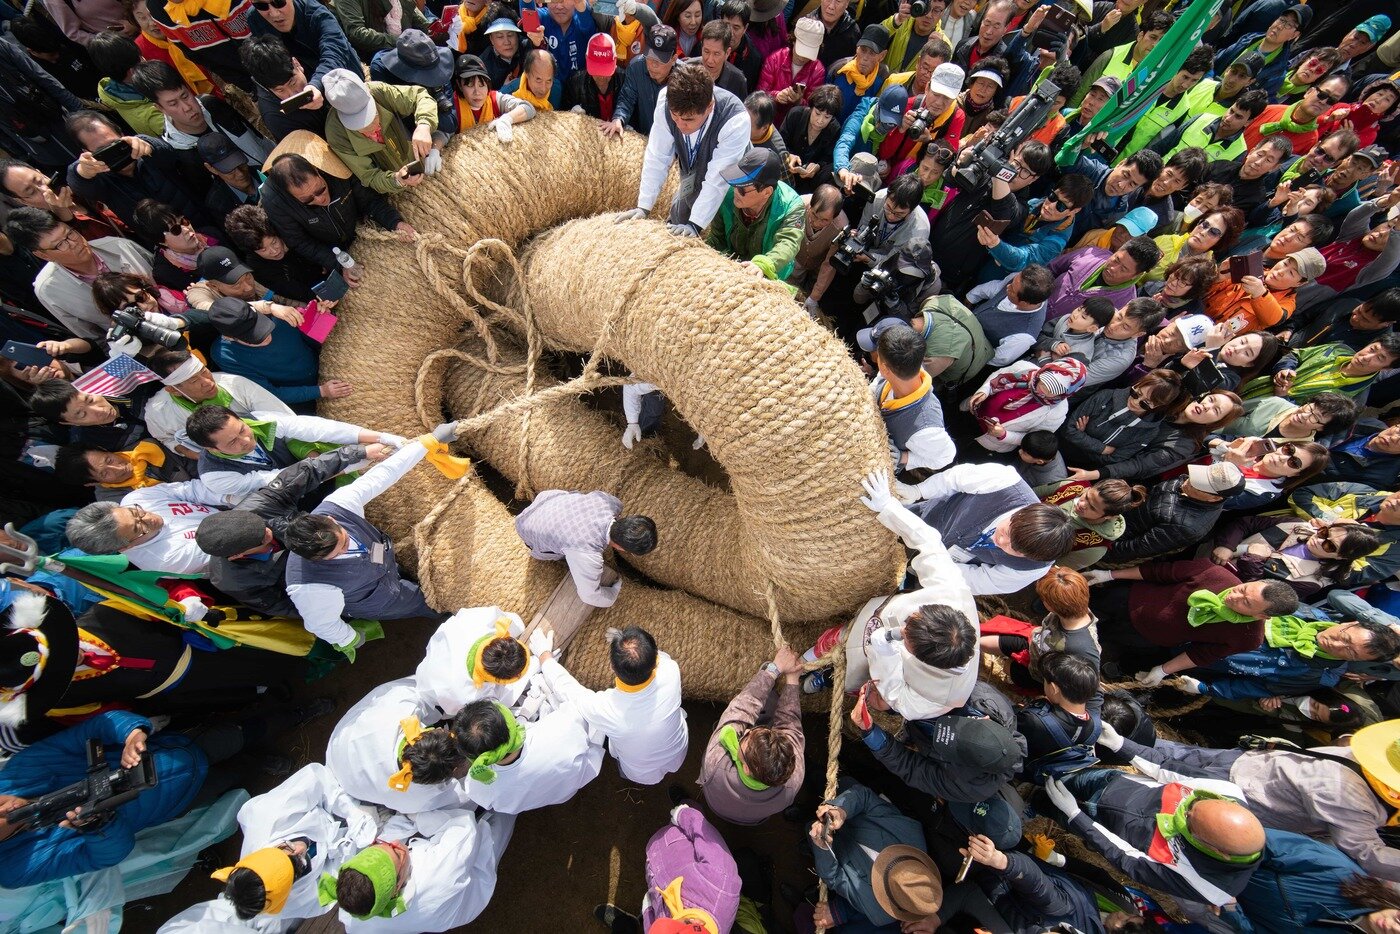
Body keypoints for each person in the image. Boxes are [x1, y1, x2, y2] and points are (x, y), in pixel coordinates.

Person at [1098, 718, 1400, 885]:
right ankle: (1108, 753)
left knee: (1173, 757)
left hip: (1248, 764)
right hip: (1241, 790)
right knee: (1163, 781)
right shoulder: (1352, 798)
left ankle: (1111, 742)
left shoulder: (1364, 757)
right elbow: (1365, 853)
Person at [799, 471, 979, 721]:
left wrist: (885, 653)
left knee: (851, 675)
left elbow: (895, 697)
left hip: (875, 671)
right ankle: (807, 659)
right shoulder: (951, 593)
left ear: (918, 657)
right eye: (912, 619)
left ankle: (828, 677)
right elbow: (930, 544)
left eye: (907, 637)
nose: (903, 628)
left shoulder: (939, 698)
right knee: (843, 635)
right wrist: (888, 507)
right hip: (875, 620)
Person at [283, 427, 458, 656]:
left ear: (330, 520)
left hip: (384, 561)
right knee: (425, 602)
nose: (346, 548)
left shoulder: (340, 504)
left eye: (343, 540)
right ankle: (444, 613)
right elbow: (321, 624)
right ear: (313, 558)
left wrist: (427, 442)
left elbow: (383, 474)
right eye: (336, 554)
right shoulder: (309, 588)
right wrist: (349, 638)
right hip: (378, 597)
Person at [179, 763, 378, 927]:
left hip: (335, 804)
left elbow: (318, 780)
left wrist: (352, 812)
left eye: (287, 848)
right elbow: (332, 883)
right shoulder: (290, 904)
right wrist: (350, 850)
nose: (300, 850)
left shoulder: (268, 813)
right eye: (299, 868)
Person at [1042, 768, 1265, 908]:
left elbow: (1130, 861)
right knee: (1059, 778)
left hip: (1102, 823)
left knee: (1046, 804)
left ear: (1215, 850)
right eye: (1193, 804)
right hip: (1116, 784)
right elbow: (1170, 768)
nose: (1183, 811)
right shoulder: (1230, 793)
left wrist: (1077, 818)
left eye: (1190, 823)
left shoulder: (1210, 887)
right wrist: (1121, 745)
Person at [195, 444, 368, 618]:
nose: (268, 533)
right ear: (236, 556)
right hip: (332, 582)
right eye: (261, 539)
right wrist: (343, 608)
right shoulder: (234, 581)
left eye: (262, 526)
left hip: (338, 537)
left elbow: (304, 472)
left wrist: (355, 453)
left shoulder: (258, 506)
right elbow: (286, 606)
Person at [1086, 556, 1299, 684]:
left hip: (1141, 636)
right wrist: (1110, 575)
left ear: (1262, 616)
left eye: (1246, 603)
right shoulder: (1215, 574)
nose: (1235, 596)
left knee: (1091, 640)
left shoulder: (1249, 637)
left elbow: (1202, 654)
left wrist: (1163, 670)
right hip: (1126, 599)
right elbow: (1160, 572)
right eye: (1243, 589)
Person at [538, 626, 688, 785]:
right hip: (678, 752)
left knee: (626, 765)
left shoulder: (607, 709)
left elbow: (568, 690)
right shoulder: (671, 669)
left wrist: (544, 656)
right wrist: (625, 643)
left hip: (643, 773)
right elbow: (658, 657)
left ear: (611, 667)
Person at [317, 810, 513, 932]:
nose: (395, 843)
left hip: (427, 916)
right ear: (397, 888)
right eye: (398, 853)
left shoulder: (353, 909)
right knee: (495, 824)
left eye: (383, 846)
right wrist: (416, 815)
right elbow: (463, 825)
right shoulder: (437, 870)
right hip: (469, 890)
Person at [899, 463, 1076, 595]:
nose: (1001, 541)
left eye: (1014, 549)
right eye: (1008, 532)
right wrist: (918, 491)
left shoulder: (1034, 567)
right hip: (927, 516)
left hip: (943, 566)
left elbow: (979, 581)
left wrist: (933, 565)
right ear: (1020, 513)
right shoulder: (1006, 481)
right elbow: (954, 479)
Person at [617, 62, 750, 237]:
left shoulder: (735, 120)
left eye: (688, 119)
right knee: (676, 222)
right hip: (691, 177)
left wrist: (695, 225)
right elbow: (657, 155)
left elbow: (717, 179)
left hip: (734, 187)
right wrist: (643, 206)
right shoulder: (666, 100)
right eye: (675, 116)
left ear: (709, 106)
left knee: (723, 235)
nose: (680, 125)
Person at [806, 780, 939, 931]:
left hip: (824, 841)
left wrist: (823, 848)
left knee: (806, 824)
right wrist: (841, 810)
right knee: (815, 779)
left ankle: (802, 815)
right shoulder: (910, 832)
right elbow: (865, 798)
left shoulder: (878, 913)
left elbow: (835, 878)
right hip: (839, 796)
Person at [185, 403, 390, 501]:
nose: (246, 440)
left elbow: (315, 428)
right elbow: (281, 481)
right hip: (288, 501)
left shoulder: (259, 419)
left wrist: (378, 437)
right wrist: (352, 460)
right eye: (232, 442)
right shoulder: (215, 475)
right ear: (212, 448)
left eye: (242, 429)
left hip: (316, 470)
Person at [595, 798, 742, 933]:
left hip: (658, 862)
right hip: (679, 835)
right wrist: (683, 815)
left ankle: (627, 925)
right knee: (692, 810)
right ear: (697, 923)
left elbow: (655, 926)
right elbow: (706, 837)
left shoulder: (679, 926)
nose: (665, 919)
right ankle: (687, 801)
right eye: (669, 922)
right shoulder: (722, 881)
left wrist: (648, 912)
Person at [7, 207, 153, 342]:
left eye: (70, 233)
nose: (74, 243)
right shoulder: (49, 291)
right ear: (42, 255)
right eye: (60, 244)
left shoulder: (118, 245)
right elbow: (95, 340)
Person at [696, 645, 804, 825]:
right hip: (754, 818)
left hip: (716, 804)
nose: (746, 731)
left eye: (744, 738)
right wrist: (792, 680)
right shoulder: (794, 780)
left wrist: (773, 669)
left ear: (746, 768)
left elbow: (742, 708)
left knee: (733, 722)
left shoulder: (715, 762)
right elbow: (791, 727)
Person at [261, 150, 412, 274]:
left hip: (360, 226)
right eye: (307, 200)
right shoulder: (274, 202)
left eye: (320, 189)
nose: (320, 199)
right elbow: (300, 242)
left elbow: (368, 200)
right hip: (330, 248)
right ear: (290, 195)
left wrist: (395, 222)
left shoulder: (336, 166)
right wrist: (338, 265)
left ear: (317, 171)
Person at [451, 696, 605, 814]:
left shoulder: (476, 785)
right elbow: (582, 708)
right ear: (508, 720)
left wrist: (523, 718)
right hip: (579, 779)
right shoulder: (561, 727)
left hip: (552, 797)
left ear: (471, 756)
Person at [513, 489, 657, 609]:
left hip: (546, 500)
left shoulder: (611, 502)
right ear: (622, 548)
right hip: (525, 528)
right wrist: (614, 592)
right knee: (566, 553)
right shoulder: (586, 553)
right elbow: (589, 596)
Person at [141, 345, 292, 458]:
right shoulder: (157, 412)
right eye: (194, 380)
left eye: (204, 371)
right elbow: (166, 438)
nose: (207, 382)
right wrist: (192, 453)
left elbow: (285, 420)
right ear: (173, 390)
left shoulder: (236, 385)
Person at [65, 476, 234, 574]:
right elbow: (228, 539)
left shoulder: (136, 498)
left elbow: (190, 490)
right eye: (138, 528)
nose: (148, 518)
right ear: (125, 547)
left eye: (135, 512)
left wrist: (229, 498)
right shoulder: (165, 561)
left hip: (231, 508)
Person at [321, 68, 441, 195]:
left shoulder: (379, 92)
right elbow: (369, 176)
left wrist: (424, 125)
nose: (372, 128)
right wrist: (397, 180)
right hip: (397, 191)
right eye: (360, 125)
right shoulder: (336, 134)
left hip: (423, 160)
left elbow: (420, 96)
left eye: (373, 116)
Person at [1102, 462, 1247, 566]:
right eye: (1197, 476)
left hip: (1110, 542)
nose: (1188, 482)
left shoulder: (1187, 527)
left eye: (1197, 485)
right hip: (1110, 516)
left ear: (1215, 498)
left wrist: (1099, 549)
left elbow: (1134, 549)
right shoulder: (1186, 482)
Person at [207, 295, 335, 412]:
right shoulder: (225, 355)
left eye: (264, 327)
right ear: (229, 337)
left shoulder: (281, 314)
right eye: (255, 338)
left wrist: (320, 317)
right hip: (300, 398)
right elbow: (268, 393)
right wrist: (320, 391)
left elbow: (310, 336)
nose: (267, 338)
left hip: (326, 366)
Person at [867, 319, 955, 472]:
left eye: (878, 356)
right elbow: (877, 384)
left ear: (885, 368)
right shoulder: (906, 365)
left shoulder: (926, 428)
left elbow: (945, 457)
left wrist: (904, 458)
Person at [706, 148, 805, 280]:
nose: (735, 191)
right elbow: (717, 238)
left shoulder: (791, 206)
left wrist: (763, 264)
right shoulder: (727, 195)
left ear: (766, 192)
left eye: (742, 189)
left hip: (768, 274)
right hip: (730, 266)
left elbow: (788, 242)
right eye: (735, 182)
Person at [962, 357, 1087, 454]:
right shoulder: (1024, 368)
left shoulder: (1058, 413)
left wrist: (1004, 435)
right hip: (972, 411)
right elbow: (997, 375)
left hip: (988, 438)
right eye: (1044, 382)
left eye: (1053, 390)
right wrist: (984, 391)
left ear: (1067, 393)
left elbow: (1032, 439)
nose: (1043, 390)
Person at [1016, 651, 1102, 782]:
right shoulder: (1095, 726)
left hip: (1024, 771)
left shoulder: (1034, 720)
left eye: (1045, 681)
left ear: (1053, 688)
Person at [1044, 237, 1161, 323]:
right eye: (1116, 259)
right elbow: (1052, 269)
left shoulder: (1124, 304)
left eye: (1123, 269)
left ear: (1137, 275)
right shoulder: (1091, 254)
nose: (1113, 268)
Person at [238, 36, 333, 142]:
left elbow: (334, 57)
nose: (293, 94)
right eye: (280, 90)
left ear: (296, 63)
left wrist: (317, 84)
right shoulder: (275, 117)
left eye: (293, 83)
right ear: (268, 89)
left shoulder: (308, 52)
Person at [967, 265, 1055, 367]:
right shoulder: (1018, 280)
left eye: (1012, 290)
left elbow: (996, 359)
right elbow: (994, 288)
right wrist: (970, 298)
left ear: (1024, 303)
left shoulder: (1024, 337)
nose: (1008, 287)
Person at [607, 23, 679, 135]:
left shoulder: (685, 78)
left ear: (674, 58)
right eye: (650, 57)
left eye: (660, 60)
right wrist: (618, 119)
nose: (653, 65)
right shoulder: (636, 67)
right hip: (643, 135)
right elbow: (627, 98)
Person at [451, 54, 538, 137]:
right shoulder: (453, 107)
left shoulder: (495, 99)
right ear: (459, 85)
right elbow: (444, 135)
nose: (477, 92)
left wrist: (507, 119)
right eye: (470, 85)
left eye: (481, 85)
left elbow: (528, 107)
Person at [334, 0, 430, 61]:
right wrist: (402, 41)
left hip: (407, 53)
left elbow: (423, 26)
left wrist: (434, 33)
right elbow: (357, 34)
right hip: (373, 60)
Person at [565, 33, 625, 118]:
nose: (601, 77)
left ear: (615, 60)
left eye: (605, 71)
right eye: (596, 71)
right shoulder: (575, 84)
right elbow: (563, 117)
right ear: (586, 58)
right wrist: (571, 116)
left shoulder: (625, 80)